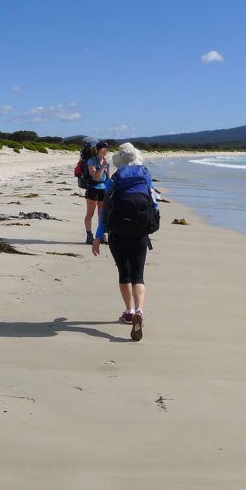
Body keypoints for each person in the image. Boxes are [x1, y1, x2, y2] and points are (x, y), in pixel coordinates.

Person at [91, 142, 157, 341]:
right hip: (140, 233)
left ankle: (128, 311)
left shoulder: (114, 181)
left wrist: (98, 236)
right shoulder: (146, 178)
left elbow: (105, 213)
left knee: (124, 274)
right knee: (139, 275)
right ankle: (139, 311)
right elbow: (154, 204)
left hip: (118, 234)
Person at [84, 140, 110, 245]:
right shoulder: (91, 161)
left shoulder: (107, 161)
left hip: (103, 190)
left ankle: (101, 235)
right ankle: (89, 235)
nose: (107, 150)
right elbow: (96, 176)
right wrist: (103, 166)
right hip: (93, 189)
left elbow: (108, 178)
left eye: (108, 148)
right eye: (105, 148)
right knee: (90, 213)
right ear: (99, 150)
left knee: (102, 214)